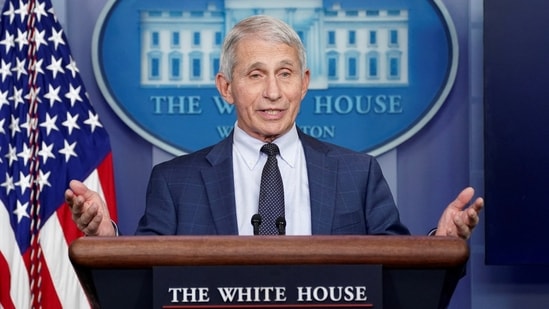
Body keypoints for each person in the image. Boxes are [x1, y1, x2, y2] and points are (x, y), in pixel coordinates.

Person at [65, 15, 483, 239]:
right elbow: (145, 273)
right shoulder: (175, 182)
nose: (273, 92)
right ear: (226, 88)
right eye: (255, 75)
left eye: (285, 74)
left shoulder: (358, 174)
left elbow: (397, 272)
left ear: (304, 84)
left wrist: (440, 246)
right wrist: (106, 235)